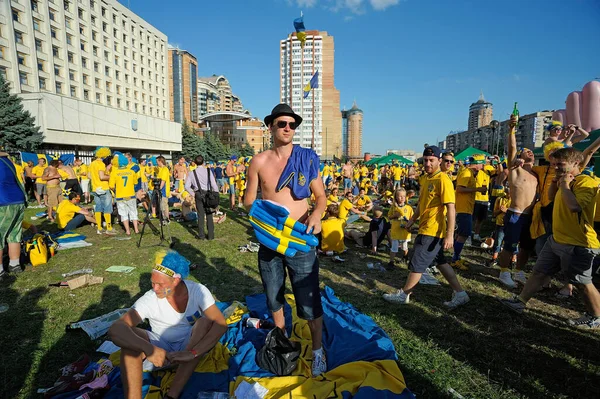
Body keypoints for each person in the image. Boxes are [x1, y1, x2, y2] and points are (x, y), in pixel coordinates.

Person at [244, 103, 327, 376]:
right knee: (273, 295)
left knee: (308, 300)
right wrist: (260, 214)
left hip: (301, 239)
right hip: (270, 240)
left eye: (292, 124)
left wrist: (316, 215)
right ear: (271, 127)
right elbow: (248, 201)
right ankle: (282, 342)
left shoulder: (306, 158)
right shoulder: (258, 161)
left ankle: (317, 351)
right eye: (282, 123)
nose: (288, 128)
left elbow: (321, 196)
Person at [501, 147, 600, 329]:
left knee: (582, 283)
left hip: (579, 243)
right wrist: (557, 182)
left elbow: (574, 207)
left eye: (560, 164)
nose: (555, 168)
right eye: (553, 164)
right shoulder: (564, 179)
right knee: (539, 271)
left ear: (576, 163)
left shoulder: (586, 182)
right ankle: (520, 302)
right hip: (557, 239)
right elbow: (552, 197)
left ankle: (596, 316)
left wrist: (564, 184)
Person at [108, 250, 227, 399]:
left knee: (204, 322)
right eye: (153, 282)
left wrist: (192, 353)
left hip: (190, 348)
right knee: (129, 341)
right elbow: (115, 329)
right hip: (160, 349)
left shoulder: (197, 291)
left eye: (160, 284)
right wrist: (149, 349)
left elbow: (220, 324)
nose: (155, 288)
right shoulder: (150, 299)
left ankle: (172, 395)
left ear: (176, 280)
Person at [383, 146, 469, 309]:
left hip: (433, 230)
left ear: (439, 161)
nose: (428, 163)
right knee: (441, 262)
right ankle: (460, 294)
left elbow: (451, 207)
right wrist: (412, 220)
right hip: (425, 227)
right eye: (426, 160)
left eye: (431, 160)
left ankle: (404, 294)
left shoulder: (443, 179)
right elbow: (422, 204)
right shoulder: (427, 179)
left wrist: (450, 235)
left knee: (418, 263)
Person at [496, 116, 538, 287]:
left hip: (530, 216)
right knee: (510, 246)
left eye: (531, 151)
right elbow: (512, 148)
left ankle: (519, 271)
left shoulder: (537, 175)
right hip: (515, 214)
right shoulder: (515, 170)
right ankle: (504, 272)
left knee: (526, 247)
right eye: (525, 150)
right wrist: (512, 129)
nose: (529, 151)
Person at [450, 155, 487, 271]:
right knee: (464, 235)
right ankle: (455, 259)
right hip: (463, 208)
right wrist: (478, 189)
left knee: (461, 234)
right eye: (482, 163)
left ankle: (456, 257)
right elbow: (460, 189)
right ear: (478, 163)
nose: (483, 166)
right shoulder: (467, 173)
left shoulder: (470, 173)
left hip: (466, 208)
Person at [0, 151, 27, 280]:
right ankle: (15, 265)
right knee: (14, 234)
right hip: (17, 200)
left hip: (2, 201)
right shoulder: (7, 160)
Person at [185, 155, 220, 240]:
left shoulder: (192, 173)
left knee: (200, 215)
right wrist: (216, 194)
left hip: (198, 194)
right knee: (209, 214)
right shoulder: (208, 171)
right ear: (203, 161)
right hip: (208, 194)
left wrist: (193, 194)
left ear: (195, 163)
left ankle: (201, 235)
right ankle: (211, 235)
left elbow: (186, 186)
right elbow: (213, 184)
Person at [109, 154, 140, 235]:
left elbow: (111, 186)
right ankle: (136, 229)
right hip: (131, 195)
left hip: (120, 196)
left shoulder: (114, 173)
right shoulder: (131, 172)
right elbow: (135, 182)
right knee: (133, 212)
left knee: (123, 214)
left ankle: (128, 231)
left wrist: (116, 189)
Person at [89, 147, 116, 235]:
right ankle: (109, 227)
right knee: (107, 208)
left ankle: (99, 228)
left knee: (98, 208)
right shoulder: (100, 164)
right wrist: (111, 177)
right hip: (103, 188)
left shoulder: (92, 164)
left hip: (95, 189)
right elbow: (102, 177)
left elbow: (89, 175)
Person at [388, 188, 413, 266]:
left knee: (405, 247)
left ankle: (405, 258)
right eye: (400, 196)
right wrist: (394, 216)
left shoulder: (409, 208)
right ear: (396, 197)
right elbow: (389, 217)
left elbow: (412, 219)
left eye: (404, 196)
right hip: (396, 231)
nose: (402, 198)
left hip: (404, 232)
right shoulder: (393, 207)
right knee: (394, 247)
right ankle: (391, 262)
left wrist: (408, 224)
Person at [156, 156, 171, 224]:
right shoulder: (161, 169)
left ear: (160, 161)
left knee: (164, 205)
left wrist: (160, 188)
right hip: (162, 189)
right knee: (162, 204)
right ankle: (165, 218)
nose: (157, 163)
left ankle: (166, 219)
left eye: (157, 162)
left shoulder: (165, 169)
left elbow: (163, 180)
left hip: (164, 190)